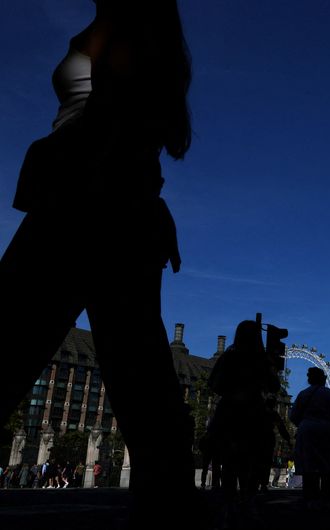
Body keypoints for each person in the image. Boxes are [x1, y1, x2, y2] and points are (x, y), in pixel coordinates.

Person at [0, 0, 199, 521]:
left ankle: (169, 505)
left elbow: (124, 131)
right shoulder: (121, 26)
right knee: (141, 375)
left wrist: (117, 199)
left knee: (134, 376)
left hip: (87, 204)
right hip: (97, 204)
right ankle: (171, 505)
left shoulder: (133, 32)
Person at [209, 320, 280, 525]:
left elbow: (213, 383)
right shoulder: (261, 359)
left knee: (229, 461)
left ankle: (230, 503)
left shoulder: (228, 357)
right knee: (251, 459)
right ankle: (248, 501)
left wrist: (232, 393)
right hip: (253, 411)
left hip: (229, 410)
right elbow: (274, 386)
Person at [290, 367, 330, 509]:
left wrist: (304, 423)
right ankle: (327, 497)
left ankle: (310, 498)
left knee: (309, 466)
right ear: (323, 379)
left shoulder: (303, 394)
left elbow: (293, 416)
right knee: (327, 465)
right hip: (327, 429)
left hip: (307, 429)